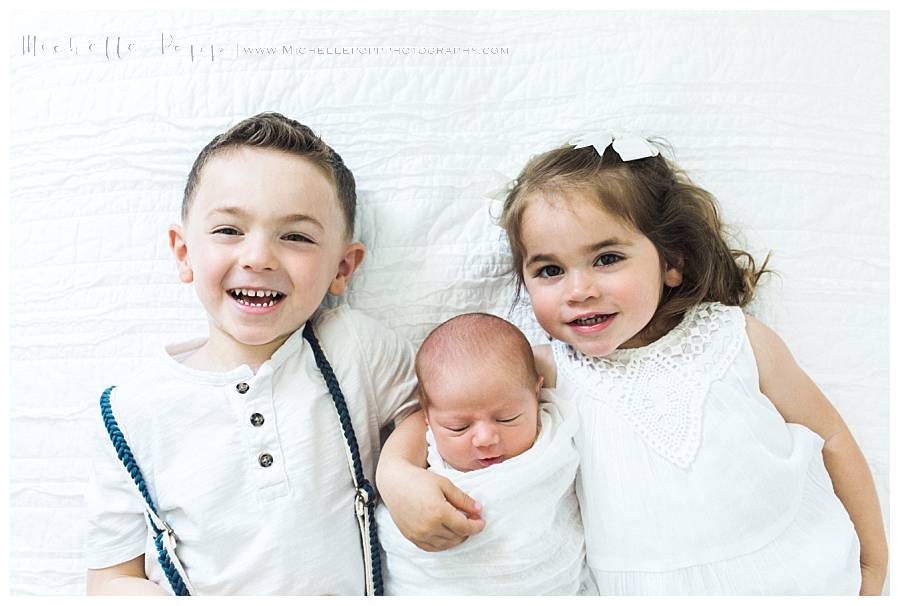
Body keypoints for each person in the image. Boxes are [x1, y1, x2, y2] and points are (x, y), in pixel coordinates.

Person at [377, 136, 888, 595]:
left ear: (671, 262)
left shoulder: (735, 338)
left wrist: (874, 556)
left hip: (791, 572)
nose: (580, 289)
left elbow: (832, 437)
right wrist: (397, 477)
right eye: (550, 270)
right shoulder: (544, 371)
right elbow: (436, 409)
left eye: (607, 258)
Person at [83, 112, 419, 595]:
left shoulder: (355, 349)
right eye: (228, 230)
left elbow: (435, 412)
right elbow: (111, 578)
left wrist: (398, 472)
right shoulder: (130, 412)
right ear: (183, 253)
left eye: (296, 236)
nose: (258, 257)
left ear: (342, 268)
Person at [375, 313, 595, 595]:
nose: (485, 439)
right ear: (428, 415)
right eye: (459, 427)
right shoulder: (427, 435)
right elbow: (398, 462)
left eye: (507, 418)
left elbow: (578, 360)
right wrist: (398, 479)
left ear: (537, 392)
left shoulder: (553, 418)